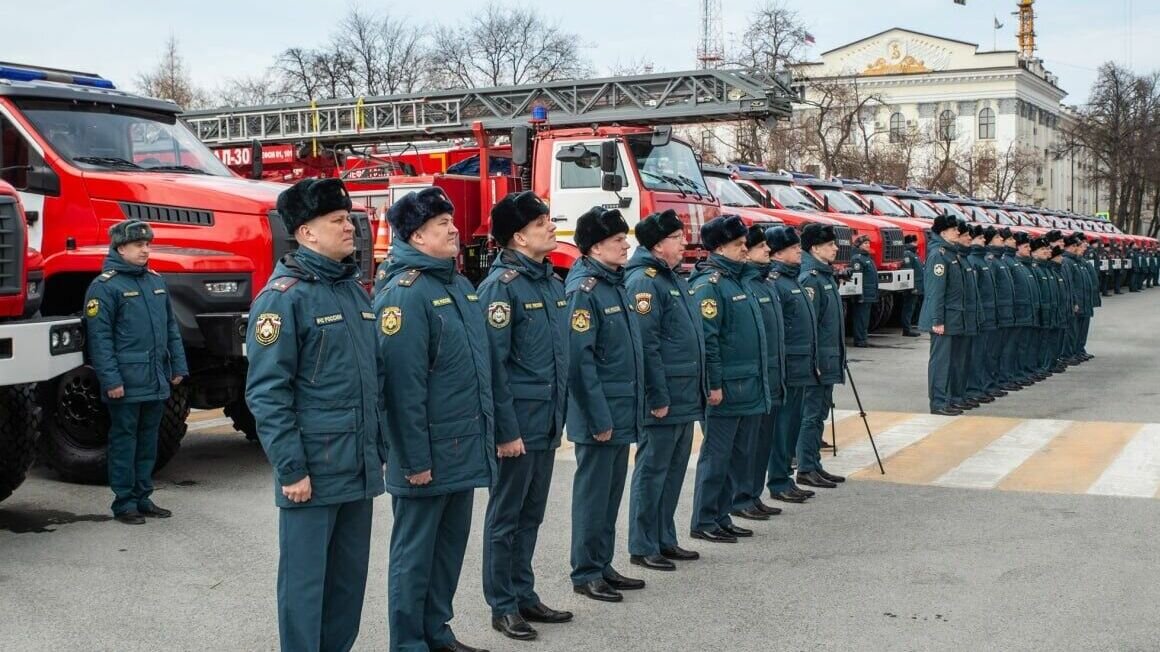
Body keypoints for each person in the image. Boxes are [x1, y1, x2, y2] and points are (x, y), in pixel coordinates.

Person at [244, 178, 385, 652]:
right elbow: (267, 392)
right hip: (314, 470)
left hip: (358, 466)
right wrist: (292, 468)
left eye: (348, 219)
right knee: (306, 588)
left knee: (347, 586)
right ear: (305, 233)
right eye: (338, 221)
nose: (351, 228)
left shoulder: (352, 292)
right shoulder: (283, 298)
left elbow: (371, 382)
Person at [376, 187, 495, 652]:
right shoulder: (405, 294)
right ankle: (408, 642)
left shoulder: (458, 286)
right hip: (427, 455)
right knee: (414, 555)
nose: (454, 229)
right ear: (417, 236)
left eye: (451, 221)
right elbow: (402, 389)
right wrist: (413, 459)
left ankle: (436, 631)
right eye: (442, 224)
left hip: (461, 447)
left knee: (446, 552)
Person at [478, 192, 572, 642]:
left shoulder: (551, 283)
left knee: (531, 513)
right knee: (506, 516)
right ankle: (502, 605)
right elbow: (493, 366)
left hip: (546, 421)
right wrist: (504, 430)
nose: (552, 227)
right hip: (517, 426)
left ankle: (523, 592)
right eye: (543, 223)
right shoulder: (502, 287)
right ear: (519, 235)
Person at [566, 206, 646, 603]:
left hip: (620, 409)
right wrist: (598, 416)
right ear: (596, 246)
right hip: (600, 414)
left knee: (612, 492)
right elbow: (580, 363)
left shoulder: (615, 284)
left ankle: (603, 562)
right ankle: (585, 571)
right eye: (617, 240)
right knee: (593, 495)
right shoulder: (585, 291)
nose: (625, 244)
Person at [84, 219, 188, 524]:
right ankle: (124, 502)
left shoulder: (155, 281)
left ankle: (143, 497)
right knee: (124, 441)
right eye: (139, 245)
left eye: (147, 244)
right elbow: (99, 340)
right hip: (126, 383)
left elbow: (171, 328)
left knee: (148, 440)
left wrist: (178, 366)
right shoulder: (104, 287)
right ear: (121, 248)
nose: (146, 250)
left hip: (155, 378)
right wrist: (111, 380)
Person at [625, 209, 707, 571]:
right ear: (658, 245)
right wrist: (656, 396)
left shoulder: (672, 278)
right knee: (653, 469)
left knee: (673, 470)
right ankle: (643, 544)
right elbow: (647, 345)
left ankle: (664, 536)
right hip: (665, 395)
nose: (683, 243)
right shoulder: (645, 281)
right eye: (676, 238)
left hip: (685, 393)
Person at [689, 215, 770, 543]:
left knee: (736, 455)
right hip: (726, 388)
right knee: (716, 457)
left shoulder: (741, 280)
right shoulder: (710, 285)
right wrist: (714, 384)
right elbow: (709, 340)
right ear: (719, 248)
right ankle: (704, 518)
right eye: (738, 245)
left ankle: (721, 515)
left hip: (747, 384)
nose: (744, 250)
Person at [731, 225, 786, 521]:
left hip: (770, 376)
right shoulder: (747, 284)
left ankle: (753, 493)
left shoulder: (765, 283)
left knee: (762, 440)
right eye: (760, 246)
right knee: (746, 445)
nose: (768, 249)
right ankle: (740, 496)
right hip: (751, 378)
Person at [764, 226, 818, 503]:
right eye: (794, 248)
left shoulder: (793, 279)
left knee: (793, 423)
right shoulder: (776, 281)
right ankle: (777, 480)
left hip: (800, 364)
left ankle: (785, 476)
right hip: (787, 365)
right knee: (782, 426)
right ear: (778, 252)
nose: (800, 250)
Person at [796, 223, 848, 488]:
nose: (836, 248)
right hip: (817, 362)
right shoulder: (810, 279)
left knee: (820, 413)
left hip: (829, 357)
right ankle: (805, 466)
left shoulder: (825, 276)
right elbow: (808, 327)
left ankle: (814, 463)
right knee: (811, 414)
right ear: (815, 248)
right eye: (830, 245)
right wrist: (813, 362)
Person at [917, 215, 966, 416]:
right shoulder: (939, 254)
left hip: (953, 317)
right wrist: (937, 320)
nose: (958, 232)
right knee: (940, 362)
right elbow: (936, 291)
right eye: (954, 230)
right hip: (943, 319)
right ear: (944, 232)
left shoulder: (952, 254)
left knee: (951, 362)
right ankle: (938, 403)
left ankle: (946, 399)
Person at [1006, 232, 1041, 387]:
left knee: (1024, 345)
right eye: (1025, 246)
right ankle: (1012, 375)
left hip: (1027, 310)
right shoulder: (1012, 263)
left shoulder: (1021, 264)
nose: (1029, 249)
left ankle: (1021, 372)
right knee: (1013, 347)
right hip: (1017, 312)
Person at [849, 235, 879, 347]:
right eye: (865, 243)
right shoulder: (857, 259)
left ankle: (863, 338)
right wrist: (859, 295)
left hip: (869, 293)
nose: (868, 245)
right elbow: (857, 278)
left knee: (865, 319)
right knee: (860, 318)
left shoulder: (867, 258)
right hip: (863, 294)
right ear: (859, 245)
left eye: (868, 243)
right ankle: (859, 340)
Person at [900, 234, 923, 337]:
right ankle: (906, 329)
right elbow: (908, 272)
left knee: (912, 307)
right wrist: (912, 286)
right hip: (912, 287)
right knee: (908, 308)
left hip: (917, 285)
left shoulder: (913, 254)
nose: (916, 244)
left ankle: (909, 326)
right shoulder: (907, 254)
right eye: (914, 242)